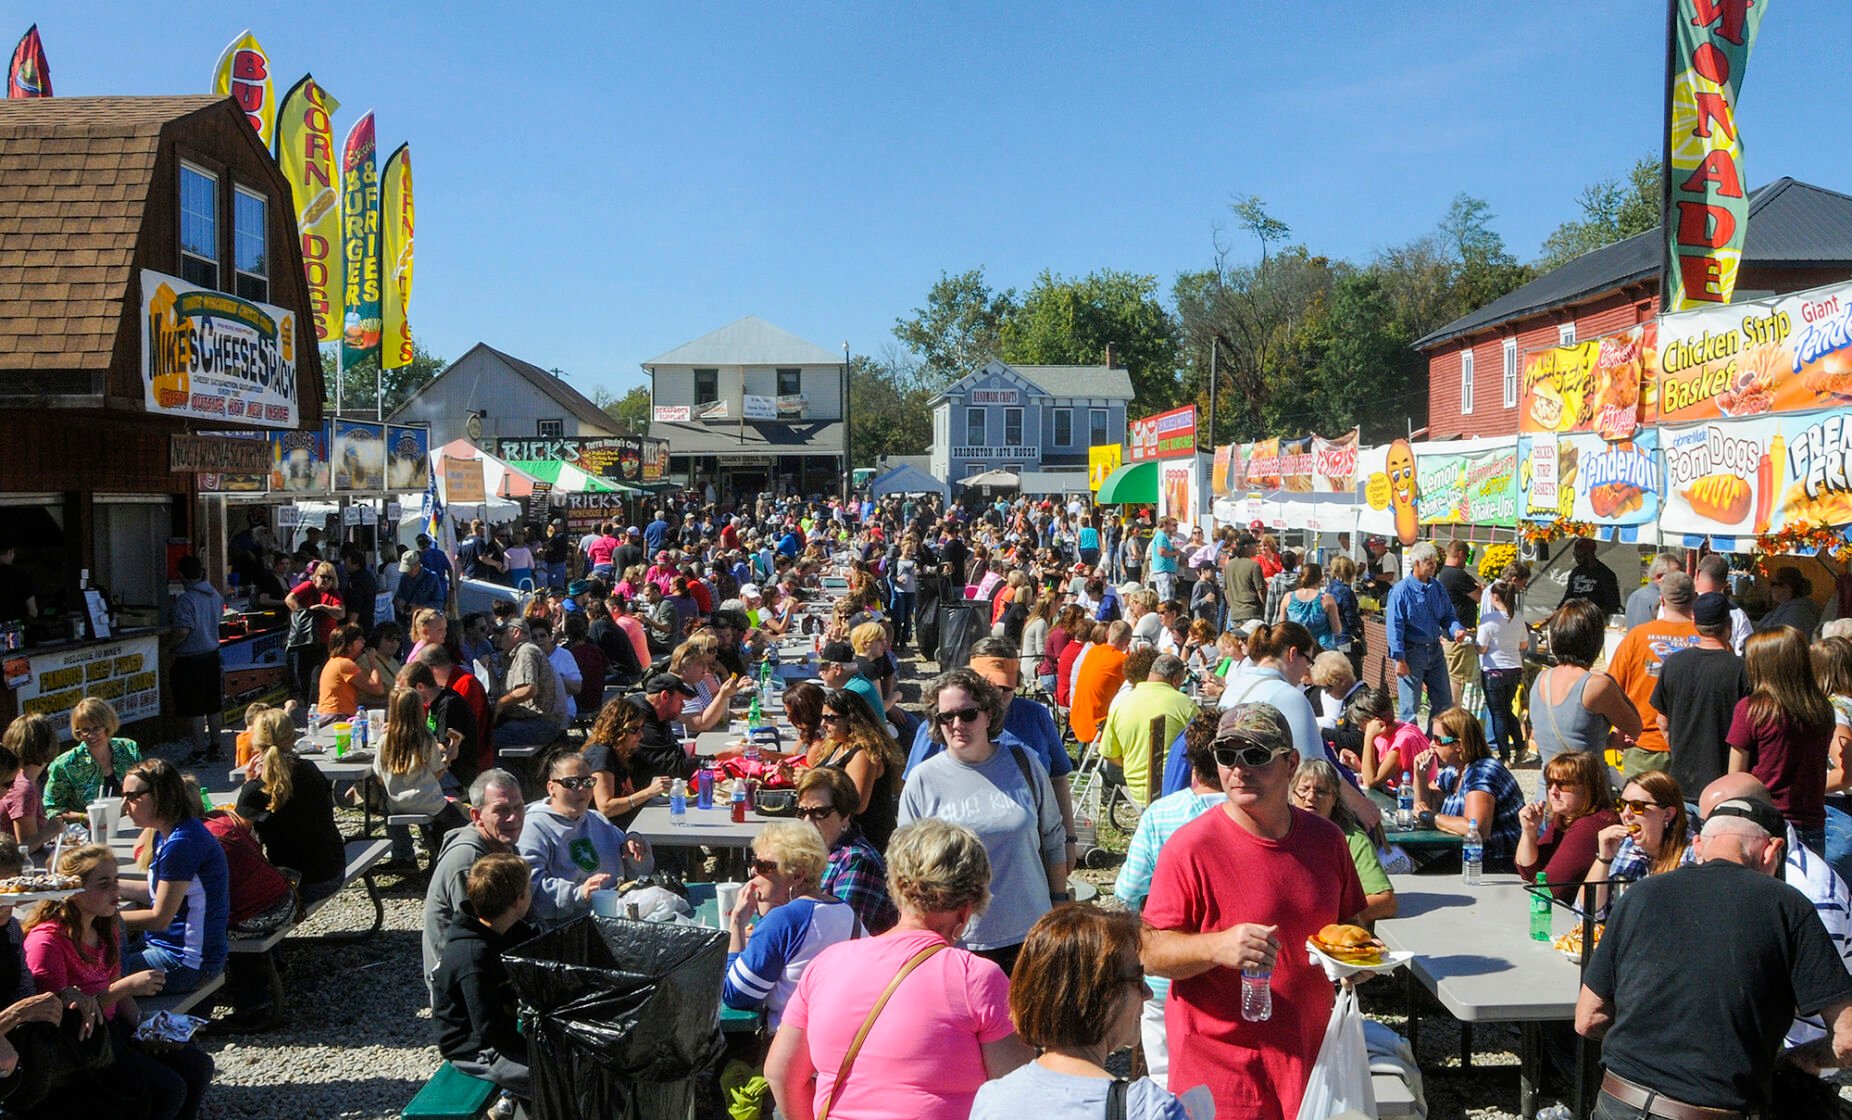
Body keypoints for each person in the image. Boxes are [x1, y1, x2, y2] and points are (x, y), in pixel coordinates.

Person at [1140, 702, 1366, 1120]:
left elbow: (1349, 926)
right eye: (1227, 755)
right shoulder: (1191, 847)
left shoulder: (1327, 840)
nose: (1239, 768)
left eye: (1256, 755)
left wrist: (1357, 961)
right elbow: (1150, 952)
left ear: (1290, 762)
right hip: (1222, 1071)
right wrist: (1216, 948)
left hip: (1311, 1057)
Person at [1576, 794, 1852, 1119]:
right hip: (1718, 1109)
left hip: (1621, 1101)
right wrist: (1799, 1059)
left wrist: (1652, 1042)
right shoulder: (1788, 905)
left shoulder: (1640, 894)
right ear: (1772, 850)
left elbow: (1587, 1019)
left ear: (1698, 845)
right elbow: (1848, 1039)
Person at [764, 818, 1030, 1120]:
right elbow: (1016, 1095)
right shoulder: (978, 980)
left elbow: (780, 1073)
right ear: (968, 907)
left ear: (897, 888)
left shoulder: (827, 964)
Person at [24, 845, 214, 1120]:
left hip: (112, 1029)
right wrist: (126, 987)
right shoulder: (48, 942)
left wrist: (144, 1030)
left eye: (116, 881)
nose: (116, 891)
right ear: (73, 891)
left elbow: (113, 985)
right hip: (80, 1045)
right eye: (104, 884)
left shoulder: (104, 926)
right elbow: (56, 1022)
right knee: (165, 1091)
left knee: (197, 1066)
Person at [899, 669, 1066, 976]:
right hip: (957, 942)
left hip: (1030, 932)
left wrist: (1060, 905)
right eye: (946, 717)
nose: (957, 725)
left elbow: (1054, 838)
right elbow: (905, 870)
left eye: (968, 714)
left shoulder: (1024, 763)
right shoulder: (923, 780)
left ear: (989, 715)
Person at [971, 907, 1189, 1120]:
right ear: (1102, 994)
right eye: (1138, 978)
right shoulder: (1148, 1109)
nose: (1148, 993)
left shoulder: (992, 1100)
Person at [1114, 713, 1223, 1079]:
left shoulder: (1162, 814)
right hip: (1231, 972)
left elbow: (1127, 891)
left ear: (1190, 762)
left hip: (1165, 972)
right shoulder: (1254, 815)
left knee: (1165, 1076)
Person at [723, 821, 861, 1028]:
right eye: (754, 863)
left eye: (764, 866)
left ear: (797, 875)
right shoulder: (845, 911)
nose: (753, 872)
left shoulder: (782, 921)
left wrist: (736, 924)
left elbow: (735, 994)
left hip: (791, 1044)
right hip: (837, 1037)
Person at [117, 759, 229, 995]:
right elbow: (158, 893)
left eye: (132, 796)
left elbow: (160, 918)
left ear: (160, 795)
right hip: (168, 947)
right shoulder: (167, 832)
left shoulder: (182, 843)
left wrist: (101, 916)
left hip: (187, 962)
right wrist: (107, 886)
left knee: (93, 978)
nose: (124, 805)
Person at [431, 851, 533, 1108]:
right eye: (529, 889)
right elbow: (489, 1028)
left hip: (503, 1030)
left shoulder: (508, 929)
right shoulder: (472, 958)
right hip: (476, 1049)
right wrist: (532, 1051)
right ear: (519, 900)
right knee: (551, 1077)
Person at [515, 752, 653, 929]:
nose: (581, 789)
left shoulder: (597, 820)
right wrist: (579, 894)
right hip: (565, 929)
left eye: (588, 782)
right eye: (571, 783)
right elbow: (530, 891)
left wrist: (635, 846)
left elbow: (642, 872)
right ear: (551, 788)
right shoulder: (533, 828)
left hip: (612, 919)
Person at [1729, 626, 1835, 853]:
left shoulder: (1751, 709)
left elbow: (1735, 778)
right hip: (1812, 822)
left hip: (1765, 822)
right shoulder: (1821, 708)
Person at [422, 769, 527, 994]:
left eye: (518, 807)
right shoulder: (467, 862)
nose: (514, 817)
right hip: (461, 983)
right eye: (501, 810)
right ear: (476, 816)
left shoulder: (503, 842)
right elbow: (478, 932)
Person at [235, 709, 346, 906]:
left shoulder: (255, 789)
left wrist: (247, 785)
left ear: (255, 742)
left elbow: (237, 840)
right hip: (332, 869)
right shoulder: (309, 769)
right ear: (293, 737)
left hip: (297, 881)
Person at [1648, 589, 1749, 801]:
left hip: (1681, 782)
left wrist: (1678, 748)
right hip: (1725, 788)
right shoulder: (1742, 670)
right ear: (1728, 625)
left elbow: (1662, 720)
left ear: (1694, 622)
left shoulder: (1673, 663)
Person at [1527, 599, 1642, 768]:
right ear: (1595, 640)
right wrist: (1612, 682)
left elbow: (1570, 738)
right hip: (1587, 786)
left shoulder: (1541, 679)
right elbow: (1634, 727)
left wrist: (1604, 742)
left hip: (1549, 787)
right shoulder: (1597, 685)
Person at [1410, 706, 1525, 867]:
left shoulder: (1483, 772)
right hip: (1468, 856)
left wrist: (1433, 817)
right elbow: (1423, 807)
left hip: (1496, 861)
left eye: (1437, 739)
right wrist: (1420, 776)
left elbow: (1476, 829)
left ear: (1459, 745)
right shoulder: (1453, 771)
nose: (1431, 745)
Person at [1290, 757, 1395, 922]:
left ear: (1334, 799)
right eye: (1304, 789)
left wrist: (1334, 919)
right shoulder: (1275, 834)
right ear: (1292, 794)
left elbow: (1385, 901)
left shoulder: (1351, 839)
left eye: (1321, 791)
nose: (1310, 797)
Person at [375, 683, 468, 866]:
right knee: (461, 825)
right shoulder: (424, 738)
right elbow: (437, 773)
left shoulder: (384, 741)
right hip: (429, 802)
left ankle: (403, 854)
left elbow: (379, 777)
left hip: (398, 804)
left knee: (386, 804)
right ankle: (445, 858)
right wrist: (449, 755)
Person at [795, 767, 896, 934]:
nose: (807, 821)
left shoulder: (857, 861)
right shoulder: (810, 853)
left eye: (819, 812)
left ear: (845, 815)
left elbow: (843, 933)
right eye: (802, 811)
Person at [1516, 749, 1619, 905]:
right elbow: (1527, 871)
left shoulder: (1590, 826)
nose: (1553, 791)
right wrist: (1529, 832)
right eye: (1550, 783)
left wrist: (1538, 877)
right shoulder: (1565, 816)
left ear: (1588, 787)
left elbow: (1548, 889)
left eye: (1564, 785)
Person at [1588, 770, 1695, 916]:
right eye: (1621, 804)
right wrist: (1604, 858)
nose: (1626, 814)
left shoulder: (1693, 856)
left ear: (1668, 814)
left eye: (1637, 806)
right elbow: (1589, 913)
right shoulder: (1625, 846)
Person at [809, 690, 902, 853]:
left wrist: (813, 783)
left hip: (863, 844)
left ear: (851, 720)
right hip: (838, 837)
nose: (824, 724)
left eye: (831, 718)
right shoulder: (838, 745)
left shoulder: (864, 753)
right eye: (823, 717)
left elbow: (857, 805)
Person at [1099, 654, 1199, 806]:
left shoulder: (1121, 703)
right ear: (1176, 679)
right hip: (1174, 786)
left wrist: (1133, 765)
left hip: (1136, 789)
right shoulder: (1184, 703)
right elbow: (1205, 744)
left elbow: (1109, 753)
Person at [1384, 541, 1467, 724]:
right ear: (1417, 563)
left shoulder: (1437, 587)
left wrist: (1456, 629)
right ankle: (1410, 748)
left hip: (1435, 650)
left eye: (1434, 562)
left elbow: (1448, 615)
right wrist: (1399, 659)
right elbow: (1394, 627)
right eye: (1429, 562)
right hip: (1412, 653)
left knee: (1444, 703)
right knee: (1410, 708)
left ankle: (1433, 742)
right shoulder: (1400, 591)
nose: (1433, 566)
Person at [43, 698, 141, 824]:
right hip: (87, 833)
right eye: (85, 730)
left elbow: (145, 788)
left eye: (96, 728)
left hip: (131, 823)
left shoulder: (128, 749)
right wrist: (86, 817)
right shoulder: (65, 764)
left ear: (107, 725)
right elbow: (52, 809)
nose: (91, 735)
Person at [169, 555, 225, 765]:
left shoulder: (186, 599)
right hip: (212, 654)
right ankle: (216, 747)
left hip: (191, 657)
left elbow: (183, 631)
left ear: (181, 575)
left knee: (194, 708)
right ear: (201, 573)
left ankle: (199, 751)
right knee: (213, 705)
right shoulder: (215, 595)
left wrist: (170, 647)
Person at [581, 698, 669, 828]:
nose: (641, 735)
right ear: (616, 729)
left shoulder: (620, 752)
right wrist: (649, 792)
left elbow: (629, 794)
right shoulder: (601, 755)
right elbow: (605, 808)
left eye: (641, 728)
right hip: (605, 831)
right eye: (634, 730)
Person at [493, 617, 567, 752]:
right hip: (531, 721)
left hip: (540, 724)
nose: (497, 639)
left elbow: (529, 689)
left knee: (487, 741)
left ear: (516, 633)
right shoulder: (513, 655)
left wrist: (501, 703)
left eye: (501, 634)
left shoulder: (527, 651)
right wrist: (489, 669)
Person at [1475, 577, 1528, 763]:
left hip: (1493, 669)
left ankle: (1505, 755)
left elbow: (1481, 647)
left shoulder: (1488, 619)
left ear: (1496, 597)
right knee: (1506, 709)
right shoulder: (1518, 617)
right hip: (1513, 667)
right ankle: (1520, 746)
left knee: (1497, 712)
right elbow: (1524, 644)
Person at [284, 560, 345, 705]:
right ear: (315, 576)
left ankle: (320, 702)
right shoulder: (308, 587)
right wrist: (303, 612)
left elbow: (341, 613)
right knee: (304, 674)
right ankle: (307, 702)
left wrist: (323, 608)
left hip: (325, 641)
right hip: (305, 640)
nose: (325, 581)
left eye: (329, 578)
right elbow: (289, 599)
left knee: (320, 674)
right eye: (323, 576)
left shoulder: (334, 594)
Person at [1435, 541, 1482, 710]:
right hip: (1459, 637)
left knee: (1454, 678)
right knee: (1457, 680)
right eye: (1467, 556)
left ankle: (1453, 718)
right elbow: (1480, 597)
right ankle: (1455, 720)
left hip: (1451, 634)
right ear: (1461, 554)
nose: (1466, 561)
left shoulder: (1444, 574)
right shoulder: (1456, 575)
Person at [0, 715, 57, 854]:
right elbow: (24, 849)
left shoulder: (24, 781)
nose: (8, 791)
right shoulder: (24, 787)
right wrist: (49, 832)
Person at [1070, 620, 1131, 747]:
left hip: (1077, 720)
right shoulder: (1122, 660)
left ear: (1108, 634)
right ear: (1128, 642)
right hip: (1098, 728)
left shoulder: (1092, 651)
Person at [318, 624, 386, 719]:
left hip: (330, 714)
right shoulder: (345, 664)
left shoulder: (334, 662)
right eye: (359, 639)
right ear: (348, 645)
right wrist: (372, 660)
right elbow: (378, 689)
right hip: (337, 716)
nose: (364, 642)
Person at [1282, 562, 1342, 652]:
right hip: (1323, 651)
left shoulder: (1288, 597)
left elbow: (1282, 627)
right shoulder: (1326, 599)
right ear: (1319, 578)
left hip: (1298, 651)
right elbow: (1337, 630)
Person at [1562, 536, 1621, 618]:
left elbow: (1613, 604)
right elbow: (1568, 596)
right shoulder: (1576, 572)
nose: (1577, 559)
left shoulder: (1605, 574)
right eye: (1575, 555)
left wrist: (1594, 616)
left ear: (1590, 554)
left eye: (1580, 556)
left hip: (1595, 620)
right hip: (1575, 618)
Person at [1625, 551, 1684, 629]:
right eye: (1676, 575)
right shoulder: (1662, 600)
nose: (1681, 579)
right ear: (1659, 577)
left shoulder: (1634, 595)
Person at [1758, 565, 1821, 635]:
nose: (1770, 588)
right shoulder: (1785, 608)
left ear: (1786, 588)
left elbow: (1784, 639)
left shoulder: (1796, 613)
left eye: (1773, 584)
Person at [1221, 539, 1267, 630]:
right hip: (1252, 613)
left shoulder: (1229, 565)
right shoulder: (1254, 566)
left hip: (1235, 614)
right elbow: (1261, 591)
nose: (1256, 548)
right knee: (1253, 642)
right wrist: (1266, 605)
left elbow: (1226, 590)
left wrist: (1232, 605)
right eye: (1255, 545)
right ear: (1247, 547)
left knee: (1239, 642)